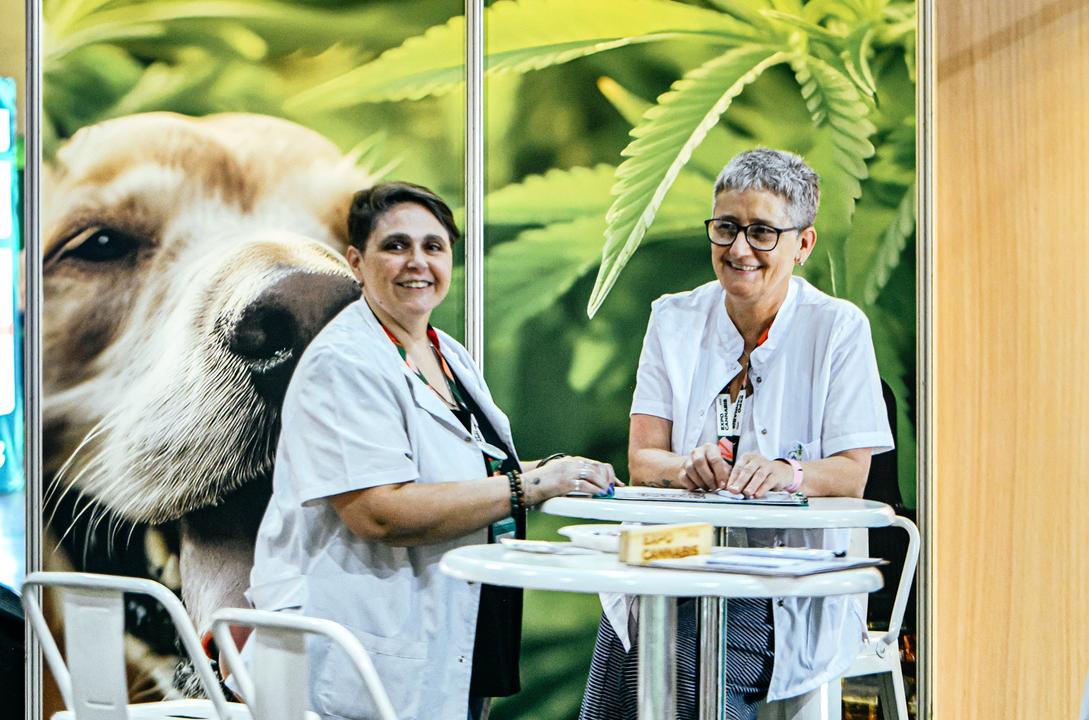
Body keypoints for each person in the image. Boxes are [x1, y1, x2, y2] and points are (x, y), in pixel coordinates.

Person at [247, 181, 616, 720]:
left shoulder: (448, 356)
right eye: (395, 246)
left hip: (456, 632)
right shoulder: (345, 363)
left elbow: (475, 469)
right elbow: (379, 512)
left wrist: (561, 469)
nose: (416, 262)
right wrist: (531, 485)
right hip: (366, 640)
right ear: (356, 261)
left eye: (433, 246)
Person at [580, 149, 894, 720]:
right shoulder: (672, 317)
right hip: (677, 558)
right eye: (726, 228)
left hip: (780, 580)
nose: (739, 249)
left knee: (681, 658)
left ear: (803, 244)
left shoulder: (839, 327)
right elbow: (644, 460)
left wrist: (786, 473)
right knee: (632, 635)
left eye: (762, 232)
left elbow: (852, 471)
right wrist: (686, 467)